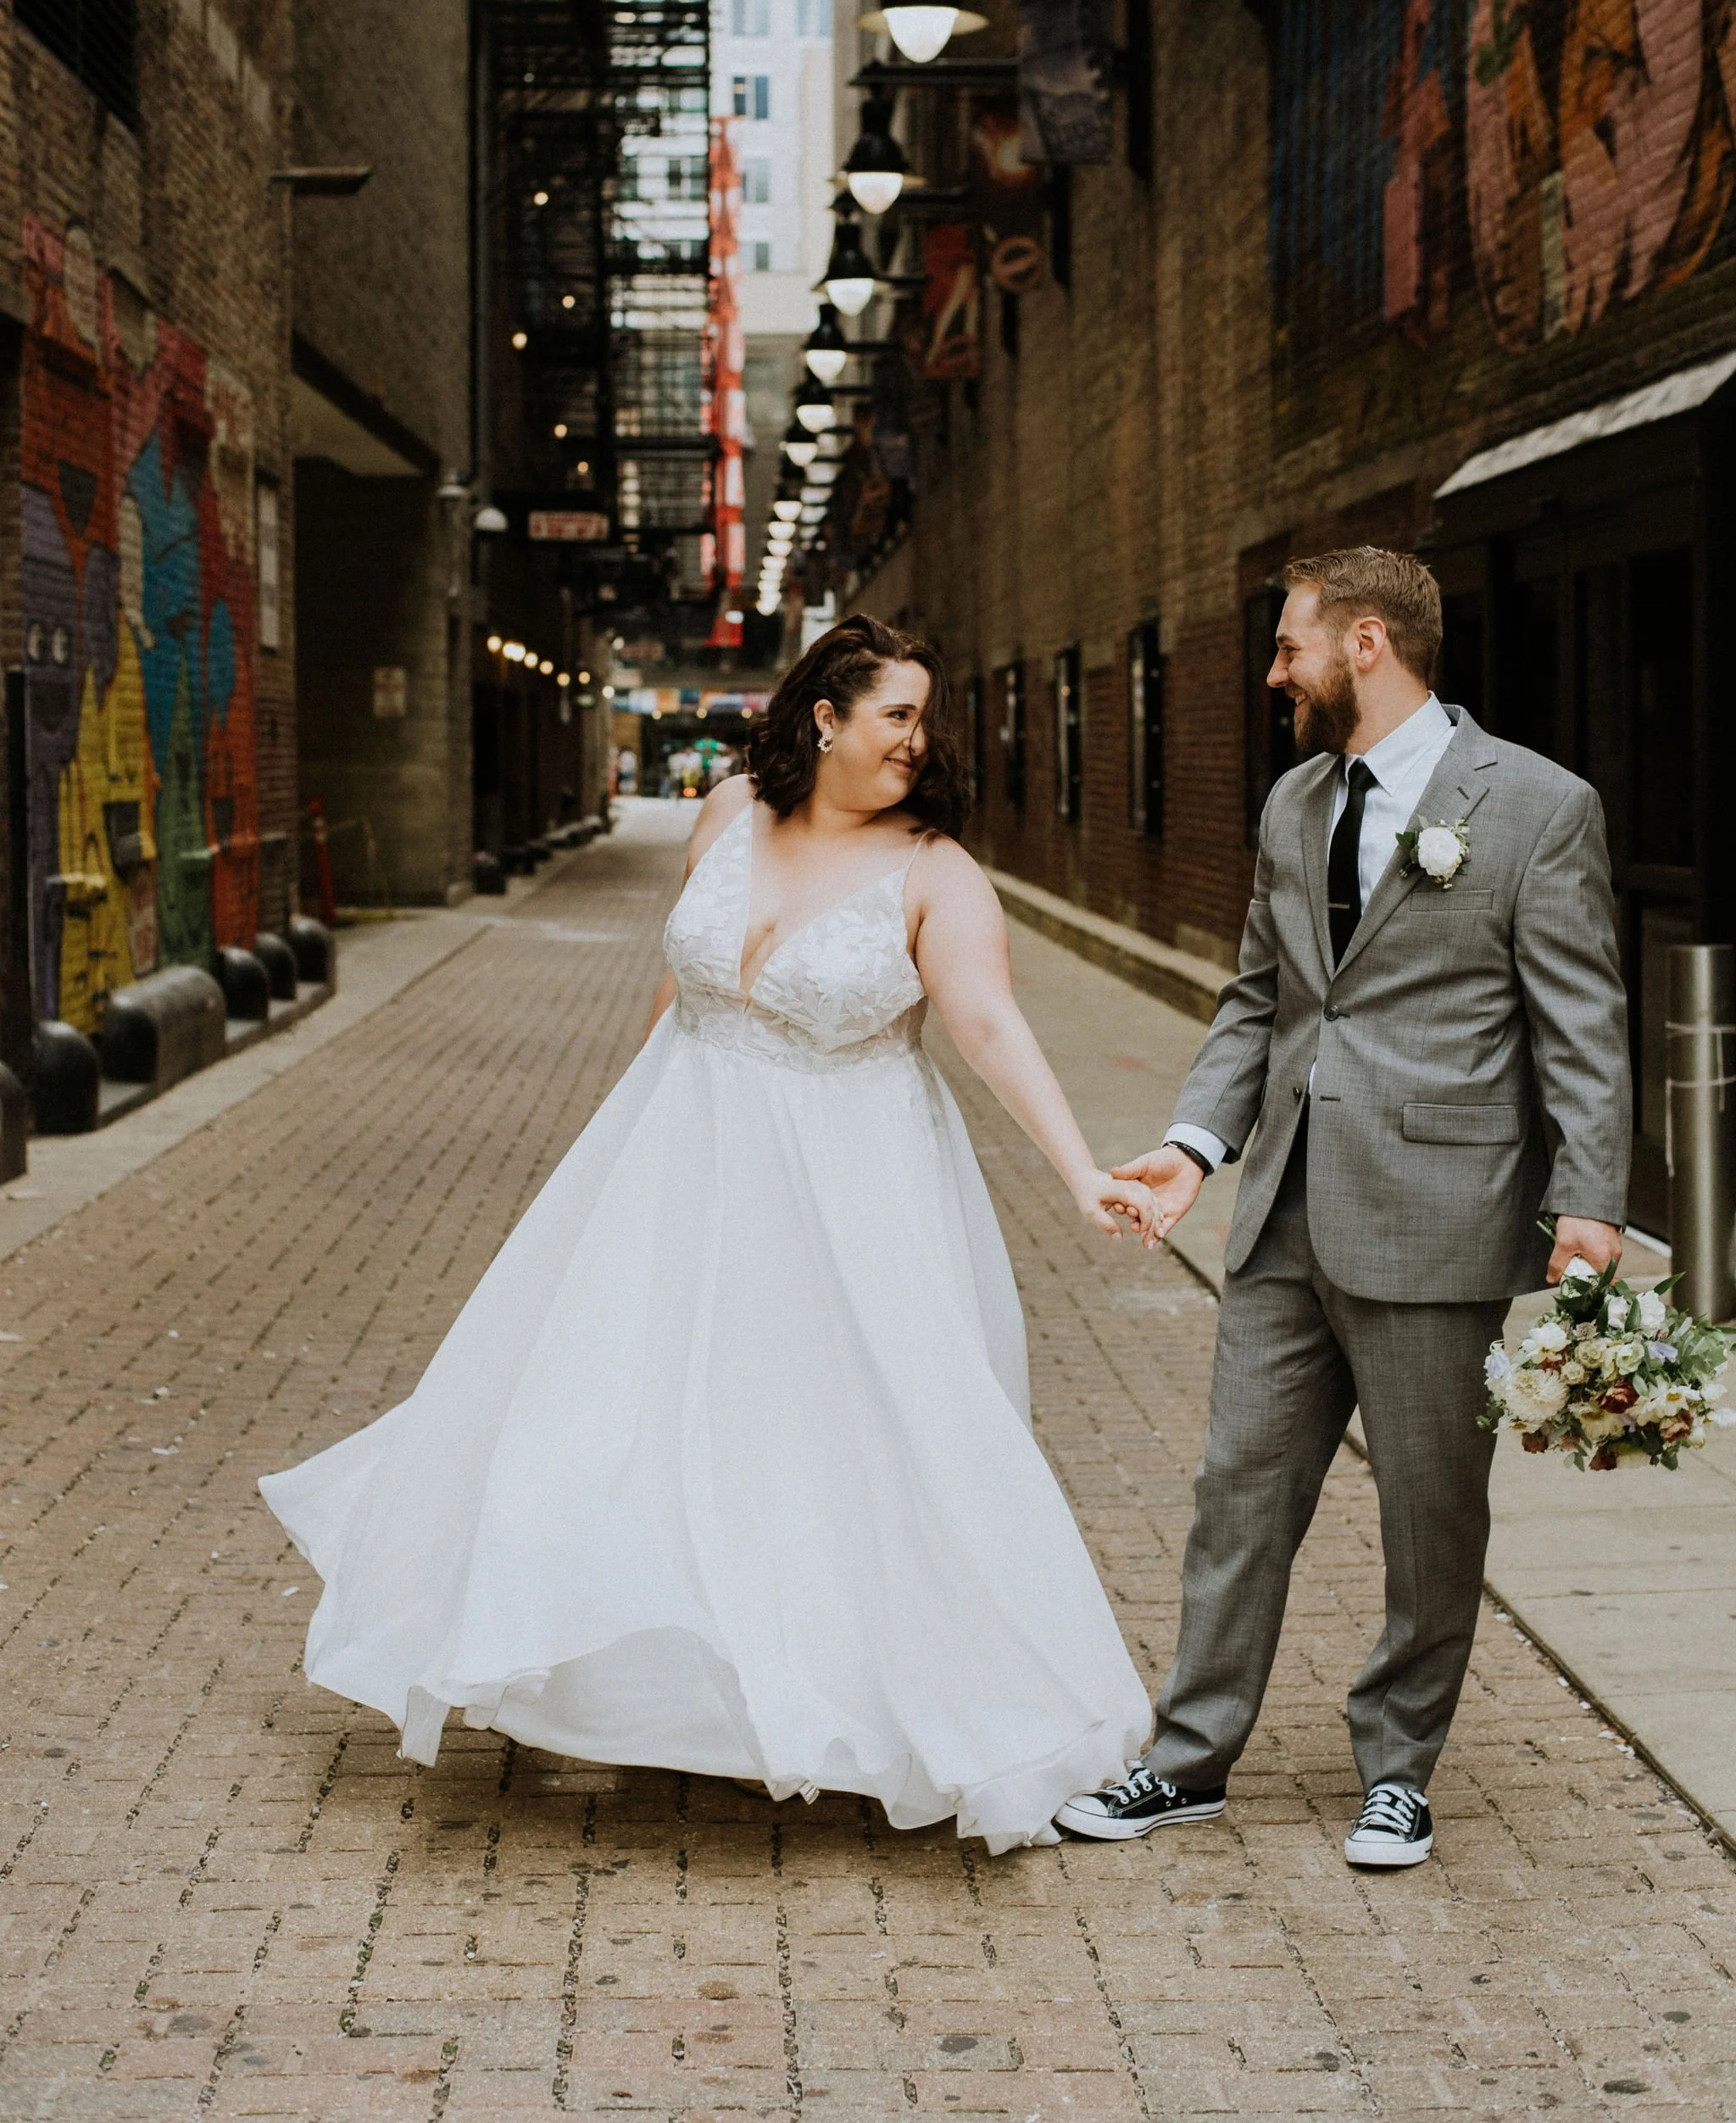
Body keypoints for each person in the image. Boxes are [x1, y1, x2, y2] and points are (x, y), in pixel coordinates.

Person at [260, 615, 1157, 1853]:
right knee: (611, 1416)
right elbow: (682, 989)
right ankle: (658, 1670)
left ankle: (880, 1706)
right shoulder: (728, 812)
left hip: (845, 1183)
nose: (919, 739)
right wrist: (616, 1146)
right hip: (682, 1157)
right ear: (825, 718)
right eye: (896, 713)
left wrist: (1078, 1171)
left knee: (838, 1440)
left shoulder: (935, 873)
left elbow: (992, 1027)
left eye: (924, 719)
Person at [1056, 549, 1630, 1868]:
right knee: (1235, 1491)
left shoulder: (1539, 807)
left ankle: (1399, 1768)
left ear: (1366, 644)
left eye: (1289, 646)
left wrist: (1591, 1202)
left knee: (1431, 1515)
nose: (1275, 673)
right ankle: (1188, 1758)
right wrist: (1193, 1148)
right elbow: (1260, 997)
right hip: (1283, 1219)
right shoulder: (1292, 803)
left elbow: (1583, 1026)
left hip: (1439, 1214)